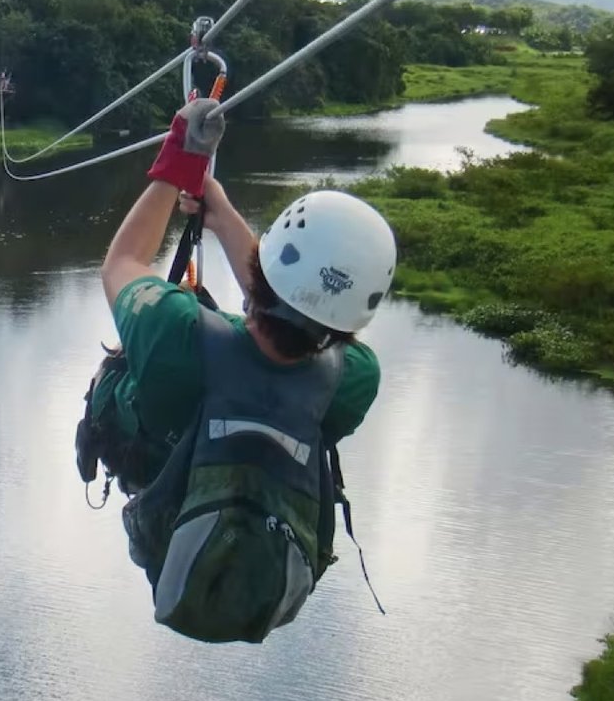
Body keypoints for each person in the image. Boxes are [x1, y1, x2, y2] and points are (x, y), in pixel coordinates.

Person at [74, 95, 397, 643]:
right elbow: (304, 315)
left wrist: (181, 160)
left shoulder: (175, 334)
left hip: (169, 514)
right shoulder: (352, 379)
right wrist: (219, 211)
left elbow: (123, 262)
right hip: (269, 569)